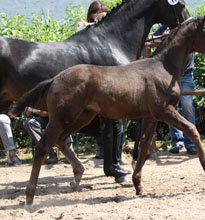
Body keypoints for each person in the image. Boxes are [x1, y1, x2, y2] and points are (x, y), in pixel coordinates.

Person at [78, 1, 129, 181]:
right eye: (99, 12)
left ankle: (115, 160)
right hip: (94, 85)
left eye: (105, 12)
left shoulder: (111, 33)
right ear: (92, 14)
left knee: (116, 125)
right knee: (106, 125)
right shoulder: (86, 31)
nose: (102, 14)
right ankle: (111, 160)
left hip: (106, 84)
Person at [152, 25, 197, 155]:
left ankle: (191, 141)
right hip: (168, 74)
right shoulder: (164, 26)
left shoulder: (189, 25)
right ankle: (177, 141)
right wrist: (163, 38)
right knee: (171, 108)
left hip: (186, 73)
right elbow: (152, 39)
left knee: (188, 105)